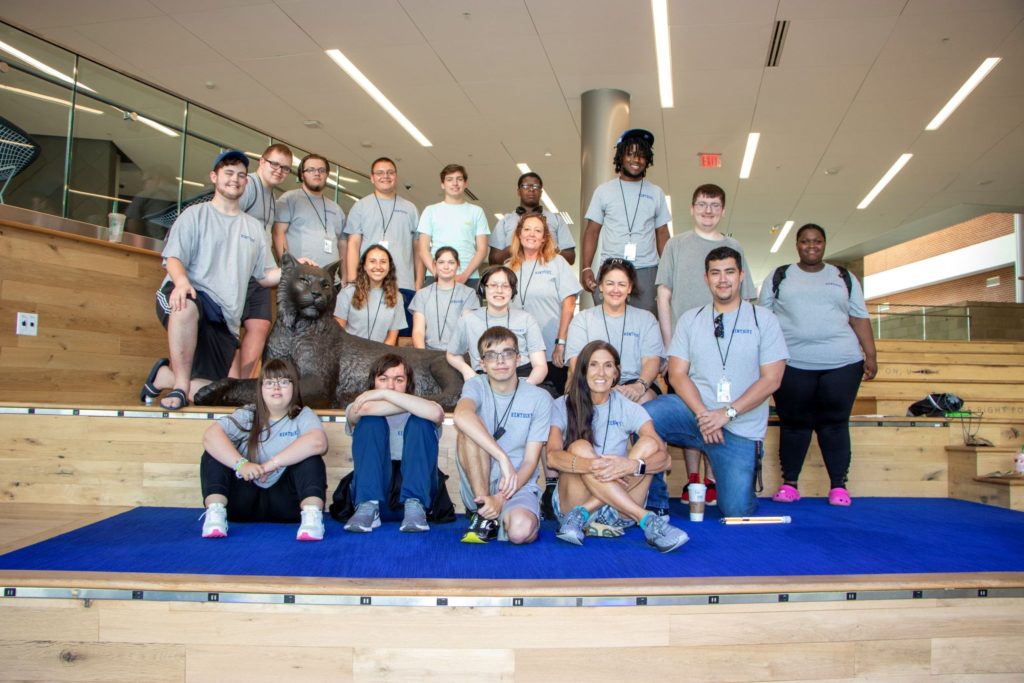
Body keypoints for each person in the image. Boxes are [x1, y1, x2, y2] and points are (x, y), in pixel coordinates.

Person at [644, 247, 789, 518]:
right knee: (646, 415)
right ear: (706, 278)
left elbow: (772, 379)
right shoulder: (691, 319)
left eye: (730, 272)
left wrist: (726, 414)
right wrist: (703, 414)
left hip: (738, 428)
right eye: (716, 273)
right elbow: (676, 374)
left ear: (741, 275)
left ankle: (737, 480)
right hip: (695, 416)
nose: (723, 279)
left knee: (735, 509)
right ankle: (656, 502)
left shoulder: (764, 320)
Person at [142, 150, 288, 410]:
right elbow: (173, 257)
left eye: (241, 175)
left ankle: (165, 376)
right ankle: (178, 387)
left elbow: (264, 275)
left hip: (224, 320)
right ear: (214, 177)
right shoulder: (194, 215)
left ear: (246, 181)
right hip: (188, 299)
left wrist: (296, 270)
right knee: (186, 305)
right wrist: (182, 282)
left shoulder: (253, 228)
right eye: (229, 173)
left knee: (210, 394)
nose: (235, 179)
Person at [758, 223, 877, 506]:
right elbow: (763, 320)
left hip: (842, 362)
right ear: (796, 244)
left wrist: (870, 355)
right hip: (792, 363)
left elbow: (859, 317)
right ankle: (790, 484)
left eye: (817, 241)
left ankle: (838, 486)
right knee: (794, 424)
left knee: (834, 424)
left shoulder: (843, 276)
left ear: (825, 244)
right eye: (805, 241)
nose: (811, 246)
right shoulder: (779, 276)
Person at [655, 183, 757, 509]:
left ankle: (715, 479)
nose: (708, 211)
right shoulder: (676, 244)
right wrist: (671, 346)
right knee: (689, 403)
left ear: (723, 210)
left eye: (715, 205)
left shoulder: (734, 245)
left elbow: (749, 297)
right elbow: (664, 295)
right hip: (686, 344)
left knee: (718, 401)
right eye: (702, 204)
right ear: (692, 208)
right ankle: (694, 478)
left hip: (726, 349)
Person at [547, 341, 688, 553]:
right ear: (583, 370)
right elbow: (552, 457)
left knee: (649, 444)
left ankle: (587, 512)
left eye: (608, 365)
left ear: (616, 372)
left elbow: (665, 460)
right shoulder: (562, 405)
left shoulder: (630, 408)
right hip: (572, 505)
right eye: (593, 365)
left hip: (618, 509)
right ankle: (646, 519)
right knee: (579, 446)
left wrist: (631, 466)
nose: (600, 372)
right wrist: (595, 466)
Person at [198, 358, 328, 541]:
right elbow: (210, 436)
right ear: (260, 389)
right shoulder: (248, 414)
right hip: (244, 500)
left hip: (286, 504)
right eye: (269, 383)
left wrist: (271, 464)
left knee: (311, 459)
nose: (276, 388)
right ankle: (215, 514)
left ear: (294, 387)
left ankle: (312, 519)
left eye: (283, 382)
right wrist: (241, 465)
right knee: (213, 453)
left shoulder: (303, 415)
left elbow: (318, 442)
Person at [453, 326, 553, 544]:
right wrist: (501, 457)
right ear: (482, 363)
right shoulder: (475, 385)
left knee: (519, 533)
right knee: (471, 426)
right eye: (491, 355)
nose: (500, 361)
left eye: (507, 353)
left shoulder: (540, 398)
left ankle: (498, 514)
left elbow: (530, 461)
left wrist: (500, 498)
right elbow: (461, 415)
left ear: (518, 358)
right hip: (478, 480)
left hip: (517, 484)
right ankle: (483, 513)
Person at [342, 354, 445, 532]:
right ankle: (368, 506)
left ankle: (415, 505)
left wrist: (383, 394)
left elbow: (436, 414)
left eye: (398, 380)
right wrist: (405, 401)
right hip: (375, 496)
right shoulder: (362, 403)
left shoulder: (423, 409)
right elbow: (363, 409)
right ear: (373, 382)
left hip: (419, 495)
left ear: (408, 383)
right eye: (383, 379)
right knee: (369, 421)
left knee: (421, 421)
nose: (390, 386)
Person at [580, 128, 670, 316]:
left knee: (646, 323)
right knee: (609, 321)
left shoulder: (656, 193)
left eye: (641, 156)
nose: (636, 160)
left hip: (647, 270)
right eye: (630, 154)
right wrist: (586, 267)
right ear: (621, 156)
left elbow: (662, 233)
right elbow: (592, 231)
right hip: (611, 266)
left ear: (647, 160)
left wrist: (668, 270)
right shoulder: (603, 191)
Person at [232, 143, 294, 380]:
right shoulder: (246, 186)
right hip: (234, 274)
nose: (279, 170)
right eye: (274, 164)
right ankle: (231, 382)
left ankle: (243, 384)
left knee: (259, 327)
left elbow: (264, 240)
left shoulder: (272, 197)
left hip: (258, 275)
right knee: (228, 331)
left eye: (285, 168)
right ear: (262, 161)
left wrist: (289, 268)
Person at [565, 258, 663, 404]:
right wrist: (605, 386)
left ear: (629, 288)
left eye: (622, 284)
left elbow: (651, 360)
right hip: (593, 380)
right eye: (610, 283)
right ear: (601, 286)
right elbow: (577, 362)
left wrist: (639, 386)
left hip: (636, 382)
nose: (615, 290)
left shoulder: (647, 319)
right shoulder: (582, 320)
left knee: (646, 399)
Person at [344, 157, 421, 335]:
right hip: (368, 284)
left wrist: (418, 282)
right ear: (372, 178)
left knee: (402, 340)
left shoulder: (410, 208)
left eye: (390, 172)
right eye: (380, 173)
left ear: (396, 176)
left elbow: (417, 248)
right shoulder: (360, 207)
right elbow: (353, 245)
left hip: (404, 283)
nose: (385, 176)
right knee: (370, 337)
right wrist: (353, 280)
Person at [507, 212, 580, 395]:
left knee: (554, 401)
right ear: (519, 234)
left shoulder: (557, 263)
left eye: (537, 231)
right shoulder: (508, 267)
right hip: (519, 353)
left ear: (544, 238)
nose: (532, 234)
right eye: (527, 229)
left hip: (551, 349)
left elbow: (569, 304)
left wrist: (560, 343)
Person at [446, 266, 547, 385]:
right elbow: (452, 354)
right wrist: (466, 371)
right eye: (493, 285)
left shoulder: (527, 319)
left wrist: (525, 387)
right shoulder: (468, 320)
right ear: (483, 289)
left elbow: (540, 366)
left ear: (512, 291)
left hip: (522, 376)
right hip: (484, 378)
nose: (499, 290)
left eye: (505, 286)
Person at [416, 163, 489, 288]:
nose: (455, 183)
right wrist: (437, 273)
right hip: (435, 276)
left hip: (469, 277)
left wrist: (464, 276)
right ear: (443, 184)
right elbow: (423, 249)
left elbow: (482, 250)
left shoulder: (477, 211)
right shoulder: (430, 211)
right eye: (449, 179)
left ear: (465, 183)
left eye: (459, 179)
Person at [273, 153, 346, 272]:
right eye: (311, 170)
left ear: (327, 174)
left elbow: (343, 245)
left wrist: (345, 278)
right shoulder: (289, 199)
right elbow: (278, 233)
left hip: (330, 281)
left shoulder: (336, 208)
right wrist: (288, 268)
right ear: (302, 175)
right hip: (300, 277)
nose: (317, 173)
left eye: (322, 170)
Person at [489, 172, 576, 265]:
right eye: (525, 186)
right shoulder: (505, 221)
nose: (531, 189)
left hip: (547, 275)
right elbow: (493, 260)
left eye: (536, 186)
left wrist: (548, 250)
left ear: (541, 192)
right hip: (514, 276)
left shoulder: (556, 219)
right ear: (518, 191)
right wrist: (515, 247)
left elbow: (571, 258)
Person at [409, 246, 480, 350]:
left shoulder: (468, 293)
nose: (446, 267)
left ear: (458, 265)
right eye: (441, 262)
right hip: (428, 353)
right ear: (435, 265)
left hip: (458, 354)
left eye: (451, 262)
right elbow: (418, 331)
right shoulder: (422, 294)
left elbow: (468, 329)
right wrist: (423, 355)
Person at [334, 245, 406, 344]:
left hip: (381, 355)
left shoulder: (397, 297)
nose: (378, 266)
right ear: (364, 266)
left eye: (383, 262)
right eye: (372, 261)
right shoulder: (347, 292)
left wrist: (380, 357)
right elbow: (338, 332)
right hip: (351, 354)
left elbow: (391, 338)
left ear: (389, 267)